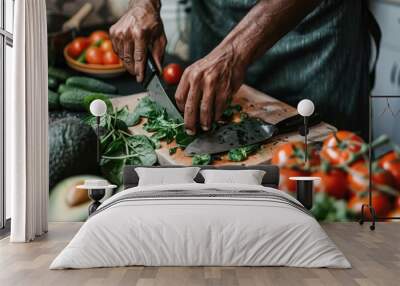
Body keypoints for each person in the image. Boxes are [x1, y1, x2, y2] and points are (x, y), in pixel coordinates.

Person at [110, 0, 371, 137]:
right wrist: (142, 3)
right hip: (216, 20)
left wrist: (235, 52)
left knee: (318, 170)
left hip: (313, 35)